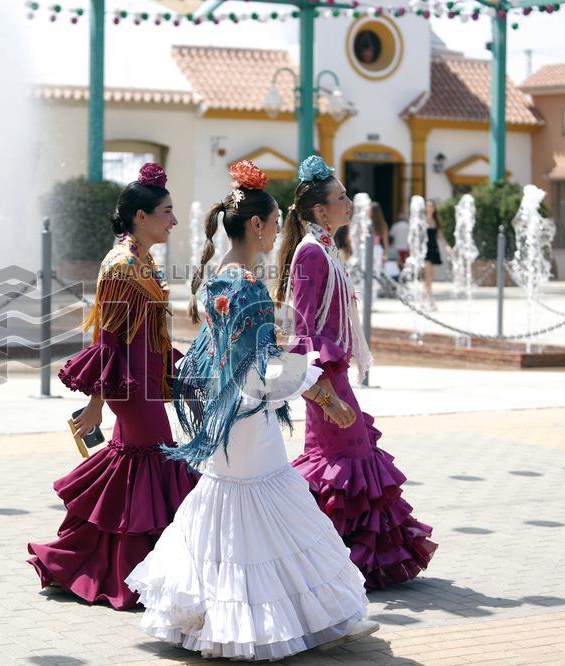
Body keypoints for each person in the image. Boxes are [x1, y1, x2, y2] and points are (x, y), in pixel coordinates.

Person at [126, 161, 378, 659]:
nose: (280, 230)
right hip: (247, 415)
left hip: (227, 412)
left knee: (230, 512)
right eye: (277, 221)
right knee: (272, 511)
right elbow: (261, 365)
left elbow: (229, 356)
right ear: (257, 225)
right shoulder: (246, 285)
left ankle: (222, 614)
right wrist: (321, 393)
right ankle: (294, 618)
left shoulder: (218, 276)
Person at [27, 163, 197, 610]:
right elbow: (109, 340)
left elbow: (143, 333)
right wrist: (97, 404)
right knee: (153, 465)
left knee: (131, 474)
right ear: (141, 216)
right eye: (167, 211)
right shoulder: (122, 265)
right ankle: (140, 573)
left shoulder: (141, 259)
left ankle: (74, 564)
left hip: (143, 381)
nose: (174, 220)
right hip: (129, 388)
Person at [274, 155, 437, 589]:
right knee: (345, 463)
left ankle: (330, 556)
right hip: (325, 375)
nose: (350, 203)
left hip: (334, 371)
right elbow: (303, 330)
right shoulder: (312, 253)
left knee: (345, 460)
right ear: (321, 210)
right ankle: (326, 558)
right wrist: (323, 391)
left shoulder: (325, 247)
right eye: (342, 197)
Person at [424, 199, 446, 308]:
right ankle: (430, 299)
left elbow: (440, 236)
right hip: (425, 250)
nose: (430, 208)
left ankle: (424, 299)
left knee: (430, 275)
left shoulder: (436, 221)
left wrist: (447, 247)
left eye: (431, 206)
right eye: (428, 206)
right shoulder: (422, 220)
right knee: (428, 275)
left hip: (433, 249)